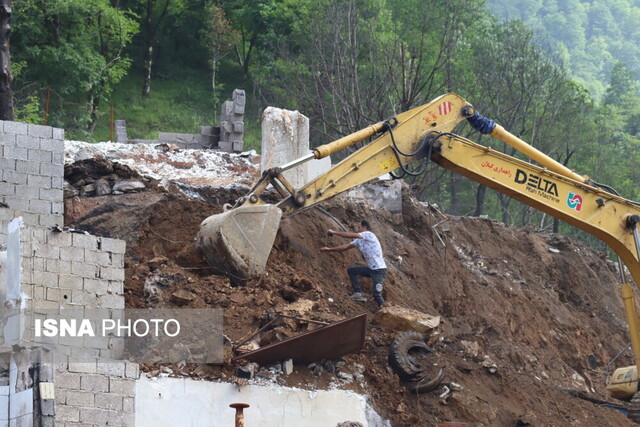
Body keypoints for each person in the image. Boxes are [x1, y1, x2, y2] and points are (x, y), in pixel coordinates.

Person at [320, 220, 387, 307]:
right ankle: (357, 294)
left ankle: (386, 312)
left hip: (379, 270)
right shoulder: (358, 241)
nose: (357, 229)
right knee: (352, 271)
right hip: (371, 269)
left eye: (359, 227)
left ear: (364, 227)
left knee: (376, 294)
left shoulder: (369, 234)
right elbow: (345, 247)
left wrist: (334, 232)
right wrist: (329, 249)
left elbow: (349, 235)